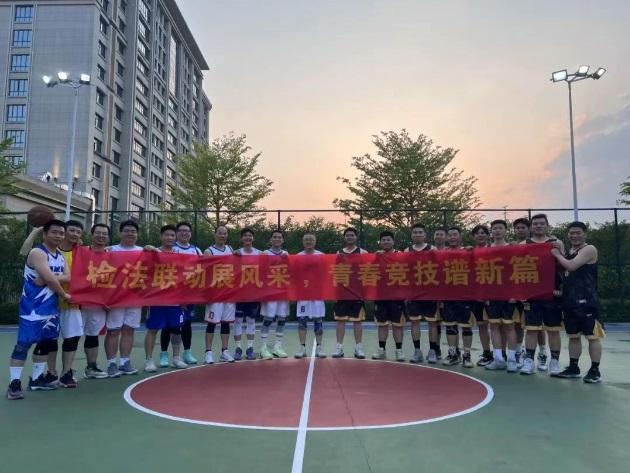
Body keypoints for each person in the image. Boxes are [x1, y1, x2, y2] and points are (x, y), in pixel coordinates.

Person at [7, 220, 70, 400]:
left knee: (46, 343)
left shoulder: (60, 255)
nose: (58, 236)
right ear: (45, 234)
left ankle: (36, 379)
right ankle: (14, 383)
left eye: (61, 233)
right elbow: (50, 280)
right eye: (54, 232)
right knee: (23, 344)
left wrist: (51, 277)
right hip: (32, 307)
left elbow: (67, 277)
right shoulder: (37, 253)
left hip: (50, 307)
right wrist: (63, 294)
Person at [18, 220, 85, 388]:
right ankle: (50, 372)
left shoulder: (81, 251)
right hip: (46, 303)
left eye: (78, 231)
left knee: (72, 338)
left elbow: (70, 276)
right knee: (47, 341)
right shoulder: (45, 251)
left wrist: (49, 279)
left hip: (71, 302)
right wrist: (35, 231)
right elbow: (24, 252)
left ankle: (66, 373)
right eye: (71, 230)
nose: (74, 234)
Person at [551, 222, 603, 383]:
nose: (574, 235)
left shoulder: (589, 249)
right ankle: (574, 368)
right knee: (573, 336)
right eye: (571, 233)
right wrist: (560, 290)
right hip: (570, 301)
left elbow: (571, 266)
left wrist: (557, 254)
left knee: (592, 337)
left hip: (587, 301)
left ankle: (595, 370)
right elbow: (565, 273)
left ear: (585, 234)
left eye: (578, 232)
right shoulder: (569, 252)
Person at [519, 214, 564, 376]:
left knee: (553, 329)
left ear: (547, 225)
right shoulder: (523, 245)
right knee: (531, 329)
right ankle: (529, 361)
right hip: (532, 294)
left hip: (552, 293)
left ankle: (555, 362)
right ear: (531, 227)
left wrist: (561, 288)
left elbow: (563, 267)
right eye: (535, 224)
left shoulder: (556, 243)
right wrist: (521, 291)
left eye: (542, 223)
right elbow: (518, 269)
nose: (538, 226)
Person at [143, 225, 187, 372]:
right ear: (161, 236)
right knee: (153, 329)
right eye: (167, 235)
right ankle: (149, 360)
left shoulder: (180, 255)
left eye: (172, 235)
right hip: (157, 300)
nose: (169, 238)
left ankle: (176, 358)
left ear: (176, 238)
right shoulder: (153, 252)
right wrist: (147, 248)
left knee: (176, 330)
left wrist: (184, 298)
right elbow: (144, 268)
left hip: (175, 300)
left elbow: (185, 277)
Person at [159, 221, 202, 366]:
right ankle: (164, 354)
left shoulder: (196, 250)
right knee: (168, 325)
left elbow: (204, 269)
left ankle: (187, 352)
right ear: (177, 233)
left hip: (189, 294)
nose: (184, 233)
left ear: (190, 234)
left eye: (187, 231)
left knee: (187, 324)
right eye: (181, 230)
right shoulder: (171, 249)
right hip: (171, 294)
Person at [105, 220, 143, 377]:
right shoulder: (111, 250)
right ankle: (111, 363)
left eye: (133, 231)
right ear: (120, 233)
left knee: (129, 329)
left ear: (137, 234)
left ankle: (125, 362)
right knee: (113, 331)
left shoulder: (143, 251)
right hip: (116, 298)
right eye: (126, 230)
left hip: (135, 298)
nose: (130, 233)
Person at [484, 220, 519, 373]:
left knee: (509, 326)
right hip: (491, 294)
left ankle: (512, 360)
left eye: (500, 228)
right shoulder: (485, 249)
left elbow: (517, 270)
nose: (497, 231)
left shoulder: (512, 248)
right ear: (491, 231)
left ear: (506, 230)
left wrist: (515, 293)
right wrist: (484, 293)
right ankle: (498, 359)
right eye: (494, 228)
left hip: (508, 293)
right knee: (493, 326)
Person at [81, 224, 111, 379]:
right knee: (71, 337)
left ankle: (91, 367)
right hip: (76, 302)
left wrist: (109, 300)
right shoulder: (80, 252)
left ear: (108, 237)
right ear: (91, 235)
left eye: (104, 234)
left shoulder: (112, 255)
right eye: (98, 233)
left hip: (98, 304)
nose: (101, 236)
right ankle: (66, 371)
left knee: (92, 335)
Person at [331, 227, 367, 359]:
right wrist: (335, 291)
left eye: (352, 235)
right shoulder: (339, 253)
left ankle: (358, 348)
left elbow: (367, 271)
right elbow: (335, 272)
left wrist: (365, 291)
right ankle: (339, 347)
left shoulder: (363, 252)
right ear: (344, 238)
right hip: (342, 292)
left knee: (357, 321)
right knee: (340, 321)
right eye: (347, 235)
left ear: (356, 237)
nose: (350, 237)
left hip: (357, 292)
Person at [404, 223, 437, 363]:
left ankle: (432, 351)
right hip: (414, 292)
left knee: (432, 323)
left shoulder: (433, 249)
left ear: (425, 234)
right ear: (412, 235)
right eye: (415, 232)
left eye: (420, 232)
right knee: (414, 322)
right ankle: (417, 351)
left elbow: (439, 270)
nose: (417, 234)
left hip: (430, 292)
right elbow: (405, 272)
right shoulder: (407, 250)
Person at [441, 227, 473, 367]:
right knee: (450, 326)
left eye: (455, 234)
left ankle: (467, 355)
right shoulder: (441, 254)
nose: (452, 237)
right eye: (450, 235)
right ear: (446, 238)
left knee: (466, 327)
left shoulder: (468, 251)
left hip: (465, 295)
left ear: (460, 236)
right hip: (447, 295)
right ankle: (453, 354)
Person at [204, 225, 236, 363]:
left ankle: (225, 351)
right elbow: (205, 274)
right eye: (220, 233)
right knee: (212, 324)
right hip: (215, 293)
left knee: (225, 323)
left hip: (228, 293)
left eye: (225, 233)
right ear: (215, 234)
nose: (222, 235)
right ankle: (208, 352)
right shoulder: (209, 251)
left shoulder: (230, 250)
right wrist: (208, 293)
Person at [372, 231, 406, 362]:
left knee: (397, 325)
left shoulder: (401, 255)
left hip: (397, 296)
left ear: (393, 241)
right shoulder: (376, 256)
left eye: (388, 240)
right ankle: (381, 349)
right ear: (380, 242)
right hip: (381, 295)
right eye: (384, 240)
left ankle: (399, 350)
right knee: (382, 324)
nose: (386, 242)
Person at [294, 233, 327, 359]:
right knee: (302, 321)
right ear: (303, 242)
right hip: (303, 295)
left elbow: (327, 274)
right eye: (306, 240)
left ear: (315, 241)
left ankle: (319, 347)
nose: (309, 241)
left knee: (318, 321)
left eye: (311, 239)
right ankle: (302, 348)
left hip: (317, 294)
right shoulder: (298, 257)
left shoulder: (322, 256)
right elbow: (294, 276)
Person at [259, 230, 290, 360]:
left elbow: (290, 272)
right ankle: (263, 347)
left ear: (282, 240)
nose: (277, 239)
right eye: (275, 237)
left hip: (282, 291)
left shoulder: (286, 254)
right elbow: (261, 271)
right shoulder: (265, 253)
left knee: (282, 319)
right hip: (270, 291)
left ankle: (278, 346)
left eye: (279, 237)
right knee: (268, 319)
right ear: (271, 240)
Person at [233, 228, 260, 361]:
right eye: (245, 235)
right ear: (241, 238)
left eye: (250, 235)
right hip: (238, 293)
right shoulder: (236, 253)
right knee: (237, 321)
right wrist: (232, 255)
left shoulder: (259, 253)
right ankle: (238, 348)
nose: (248, 237)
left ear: (253, 238)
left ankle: (250, 348)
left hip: (253, 293)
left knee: (251, 321)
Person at [470, 224, 493, 366]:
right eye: (477, 233)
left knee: (499, 326)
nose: (480, 235)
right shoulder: (469, 252)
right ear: (473, 236)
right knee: (482, 326)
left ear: (487, 235)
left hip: (494, 296)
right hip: (477, 295)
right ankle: (487, 353)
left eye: (483, 232)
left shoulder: (495, 250)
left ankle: (502, 354)